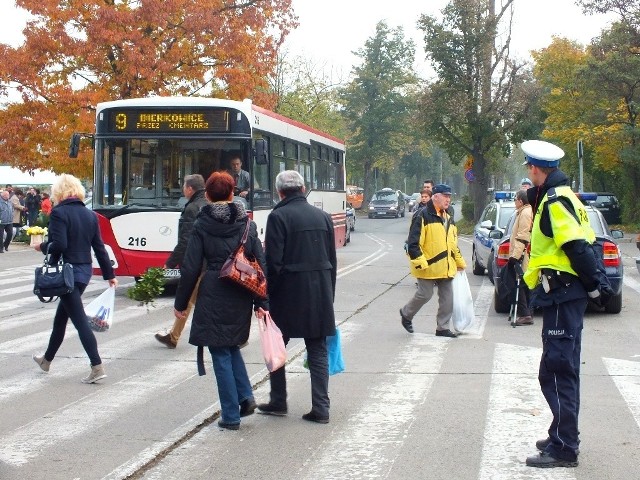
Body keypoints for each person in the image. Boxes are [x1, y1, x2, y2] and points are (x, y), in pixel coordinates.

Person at [521, 140, 613, 468]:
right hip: (563, 294)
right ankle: (561, 432)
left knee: (557, 371)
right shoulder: (561, 195)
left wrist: (595, 289)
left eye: (529, 168)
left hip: (563, 292)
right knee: (561, 368)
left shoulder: (556, 201)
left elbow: (576, 246)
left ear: (535, 169)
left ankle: (564, 448)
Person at [173, 171, 267, 430]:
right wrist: (262, 301)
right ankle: (245, 396)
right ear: (232, 193)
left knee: (219, 349)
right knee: (231, 344)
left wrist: (180, 304)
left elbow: (191, 267)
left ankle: (230, 414)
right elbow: (260, 263)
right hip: (239, 289)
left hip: (214, 289)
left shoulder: (202, 224)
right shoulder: (247, 224)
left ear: (210, 195)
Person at [257, 170, 337, 424]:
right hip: (320, 293)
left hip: (288, 294)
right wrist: (329, 293)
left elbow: (274, 263)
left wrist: (267, 297)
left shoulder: (278, 216)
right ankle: (321, 408)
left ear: (280, 191)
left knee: (276, 346)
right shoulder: (323, 217)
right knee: (317, 349)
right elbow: (331, 262)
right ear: (303, 189)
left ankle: (278, 400)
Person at [32, 174, 118, 383]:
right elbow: (99, 247)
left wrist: (42, 246)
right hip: (83, 272)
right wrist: (110, 274)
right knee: (61, 318)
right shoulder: (89, 215)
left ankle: (97, 366)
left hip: (66, 273)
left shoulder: (59, 213)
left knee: (79, 321)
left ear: (59, 192)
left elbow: (59, 245)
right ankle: (47, 360)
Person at [399, 184, 466, 337]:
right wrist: (421, 263)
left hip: (446, 266)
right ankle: (406, 314)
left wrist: (460, 263)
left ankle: (442, 328)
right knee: (425, 294)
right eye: (445, 196)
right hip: (427, 266)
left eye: (449, 196)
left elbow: (453, 245)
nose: (448, 199)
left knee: (448, 298)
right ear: (435, 197)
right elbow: (413, 244)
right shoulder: (422, 215)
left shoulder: (448, 217)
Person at [155, 174, 208, 349]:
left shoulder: (192, 208)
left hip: (196, 263)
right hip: (208, 261)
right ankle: (173, 336)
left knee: (191, 301)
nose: (183, 189)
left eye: (184, 186)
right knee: (192, 300)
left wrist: (170, 262)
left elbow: (186, 240)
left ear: (190, 189)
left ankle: (238, 340)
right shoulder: (207, 204)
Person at [508, 189, 533, 326]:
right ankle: (528, 312)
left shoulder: (525, 213)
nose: (514, 202)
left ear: (520, 201)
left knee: (519, 283)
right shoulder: (524, 211)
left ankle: (525, 314)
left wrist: (515, 257)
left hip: (523, 254)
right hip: (524, 253)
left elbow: (523, 236)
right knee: (524, 283)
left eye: (515, 199)